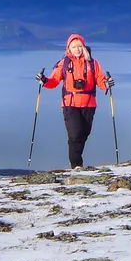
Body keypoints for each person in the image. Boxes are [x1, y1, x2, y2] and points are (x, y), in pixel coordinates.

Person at [35, 33, 114, 169]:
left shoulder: (92, 63)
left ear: (83, 47)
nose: (77, 49)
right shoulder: (64, 63)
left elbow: (100, 80)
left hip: (89, 104)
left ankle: (78, 163)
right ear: (68, 49)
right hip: (70, 104)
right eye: (73, 47)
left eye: (79, 46)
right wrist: (44, 80)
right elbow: (53, 81)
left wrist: (107, 83)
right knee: (75, 135)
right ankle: (75, 164)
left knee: (83, 134)